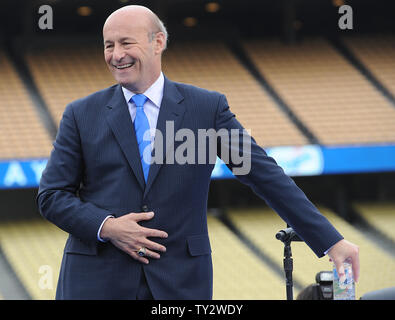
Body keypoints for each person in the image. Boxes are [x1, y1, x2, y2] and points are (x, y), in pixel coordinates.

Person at [37, 5, 359, 299]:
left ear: (158, 42)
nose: (116, 54)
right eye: (109, 45)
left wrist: (330, 241)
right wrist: (108, 227)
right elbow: (52, 195)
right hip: (94, 283)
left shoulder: (206, 108)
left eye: (126, 43)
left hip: (179, 284)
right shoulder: (81, 114)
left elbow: (265, 176)